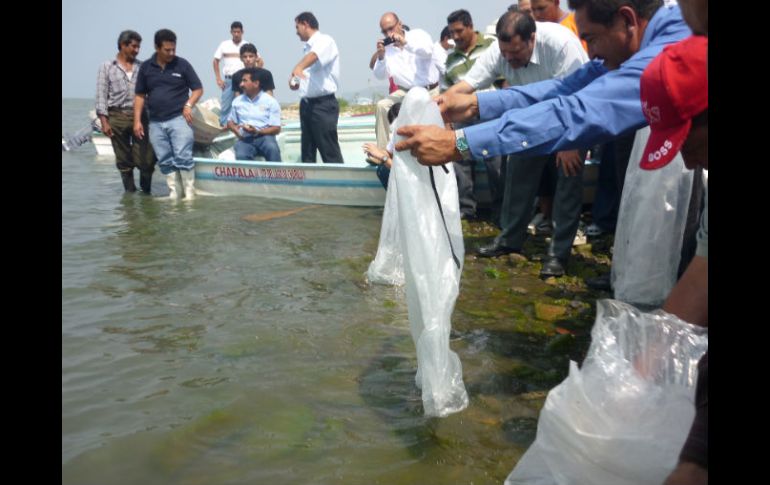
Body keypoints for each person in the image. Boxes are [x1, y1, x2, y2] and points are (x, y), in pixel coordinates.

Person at [444, 10, 589, 277]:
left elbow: (579, 96)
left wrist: (571, 142)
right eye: (505, 54)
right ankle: (509, 239)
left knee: (568, 181)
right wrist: (440, 105)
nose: (509, 60)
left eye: (516, 54)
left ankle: (558, 253)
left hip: (570, 118)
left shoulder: (562, 45)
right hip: (531, 120)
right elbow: (466, 85)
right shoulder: (500, 52)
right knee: (517, 174)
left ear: (532, 38)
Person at [442, 9, 504, 221]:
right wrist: (449, 124)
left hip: (490, 117)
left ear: (470, 26)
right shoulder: (450, 61)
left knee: (495, 163)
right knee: (460, 160)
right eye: (451, 33)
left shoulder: (491, 46)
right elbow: (445, 94)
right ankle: (467, 209)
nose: (455, 37)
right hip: (463, 124)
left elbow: (505, 82)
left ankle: (501, 209)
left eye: (459, 31)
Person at [134, 29, 203, 200]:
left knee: (183, 155)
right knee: (164, 158)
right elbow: (140, 95)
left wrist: (188, 105)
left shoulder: (182, 65)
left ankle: (189, 194)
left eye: (174, 49)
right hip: (156, 122)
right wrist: (137, 121)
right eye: (167, 50)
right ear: (157, 47)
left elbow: (198, 89)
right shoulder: (146, 68)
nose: (172, 53)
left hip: (179, 118)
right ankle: (174, 192)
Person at [96, 30, 157, 194]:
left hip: (141, 116)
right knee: (123, 160)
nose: (137, 50)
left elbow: (151, 93)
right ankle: (130, 195)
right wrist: (104, 122)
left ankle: (146, 194)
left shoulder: (143, 67)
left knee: (147, 158)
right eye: (134, 46)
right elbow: (101, 95)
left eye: (139, 47)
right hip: (117, 116)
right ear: (123, 45)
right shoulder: (107, 67)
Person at [371, 12, 440, 149]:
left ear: (400, 24)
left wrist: (405, 43)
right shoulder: (388, 50)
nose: (388, 34)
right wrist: (381, 57)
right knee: (382, 106)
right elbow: (380, 75)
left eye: (390, 28)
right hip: (406, 93)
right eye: (384, 31)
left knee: (441, 121)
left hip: (429, 91)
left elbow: (427, 51)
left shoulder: (418, 35)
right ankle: (383, 152)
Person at [289, 11, 344, 164]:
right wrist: (295, 81)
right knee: (307, 151)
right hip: (307, 104)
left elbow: (314, 57)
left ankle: (339, 185)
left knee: (329, 150)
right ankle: (309, 187)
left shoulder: (325, 41)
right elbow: (307, 74)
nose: (296, 32)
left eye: (297, 27)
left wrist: (298, 67)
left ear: (306, 24)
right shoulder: (306, 49)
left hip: (323, 106)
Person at [227, 68, 282, 162]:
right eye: (241, 81)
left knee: (272, 149)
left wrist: (257, 131)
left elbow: (276, 128)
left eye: (245, 81)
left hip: (265, 137)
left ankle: (277, 176)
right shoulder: (237, 101)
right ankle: (247, 177)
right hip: (245, 138)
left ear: (256, 83)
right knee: (241, 154)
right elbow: (230, 122)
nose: (241, 84)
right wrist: (236, 130)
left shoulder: (271, 102)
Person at [213, 21, 252, 126]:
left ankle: (242, 125)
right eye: (234, 32)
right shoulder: (224, 44)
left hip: (243, 80)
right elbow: (215, 61)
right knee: (226, 105)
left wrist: (254, 75)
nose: (236, 34)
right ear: (231, 32)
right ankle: (224, 126)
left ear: (242, 32)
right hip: (229, 80)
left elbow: (259, 60)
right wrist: (218, 79)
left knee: (244, 103)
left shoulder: (247, 45)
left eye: (238, 32)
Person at [362, 102, 401, 190]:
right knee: (382, 169)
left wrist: (382, 157)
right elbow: (388, 152)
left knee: (383, 170)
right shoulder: (397, 134)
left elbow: (401, 170)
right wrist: (375, 152)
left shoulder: (414, 138)